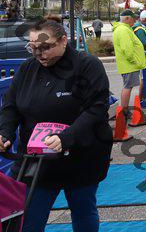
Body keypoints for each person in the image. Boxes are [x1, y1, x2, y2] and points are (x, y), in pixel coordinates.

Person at [0, 15, 112, 232]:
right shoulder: (28, 68)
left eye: (45, 47)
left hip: (81, 156)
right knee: (28, 219)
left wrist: (66, 137)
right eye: (33, 47)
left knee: (83, 211)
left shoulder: (87, 65)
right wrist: (5, 133)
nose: (39, 53)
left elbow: (97, 108)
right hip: (36, 160)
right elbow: (11, 106)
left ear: (63, 41)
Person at [113, 9, 146, 119]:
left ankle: (124, 110)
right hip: (129, 65)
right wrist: (135, 61)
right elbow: (127, 49)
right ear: (127, 18)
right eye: (133, 18)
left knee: (128, 86)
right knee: (128, 87)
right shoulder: (124, 30)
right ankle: (124, 111)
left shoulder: (122, 29)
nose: (135, 21)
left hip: (127, 65)